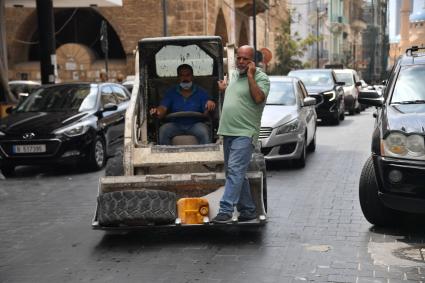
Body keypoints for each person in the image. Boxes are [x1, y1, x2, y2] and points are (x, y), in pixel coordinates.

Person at [212, 45, 270, 223]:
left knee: (235, 170)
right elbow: (236, 96)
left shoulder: (261, 78)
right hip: (228, 131)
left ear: (253, 61)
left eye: (246, 59)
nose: (241, 61)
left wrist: (251, 76)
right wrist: (224, 90)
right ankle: (247, 210)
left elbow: (258, 98)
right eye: (239, 58)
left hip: (245, 133)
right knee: (235, 172)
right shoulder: (234, 75)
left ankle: (226, 210)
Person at [149, 64, 216, 145]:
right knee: (163, 130)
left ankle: (207, 156)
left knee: (204, 132)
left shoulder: (201, 92)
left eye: (187, 75)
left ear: (192, 76)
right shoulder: (171, 92)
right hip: (175, 125)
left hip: (195, 125)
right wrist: (157, 111)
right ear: (178, 77)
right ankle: (166, 156)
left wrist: (209, 105)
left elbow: (206, 113)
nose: (185, 78)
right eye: (182, 75)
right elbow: (163, 108)